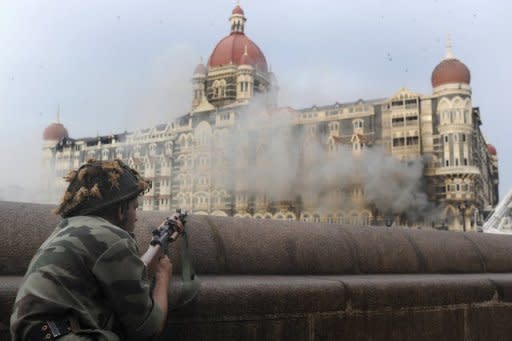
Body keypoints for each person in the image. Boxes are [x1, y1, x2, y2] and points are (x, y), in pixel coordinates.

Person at [10, 159, 177, 340]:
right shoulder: (113, 238)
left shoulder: (65, 229)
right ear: (121, 210)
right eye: (135, 207)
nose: (136, 217)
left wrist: (157, 242)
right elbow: (149, 329)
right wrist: (163, 277)